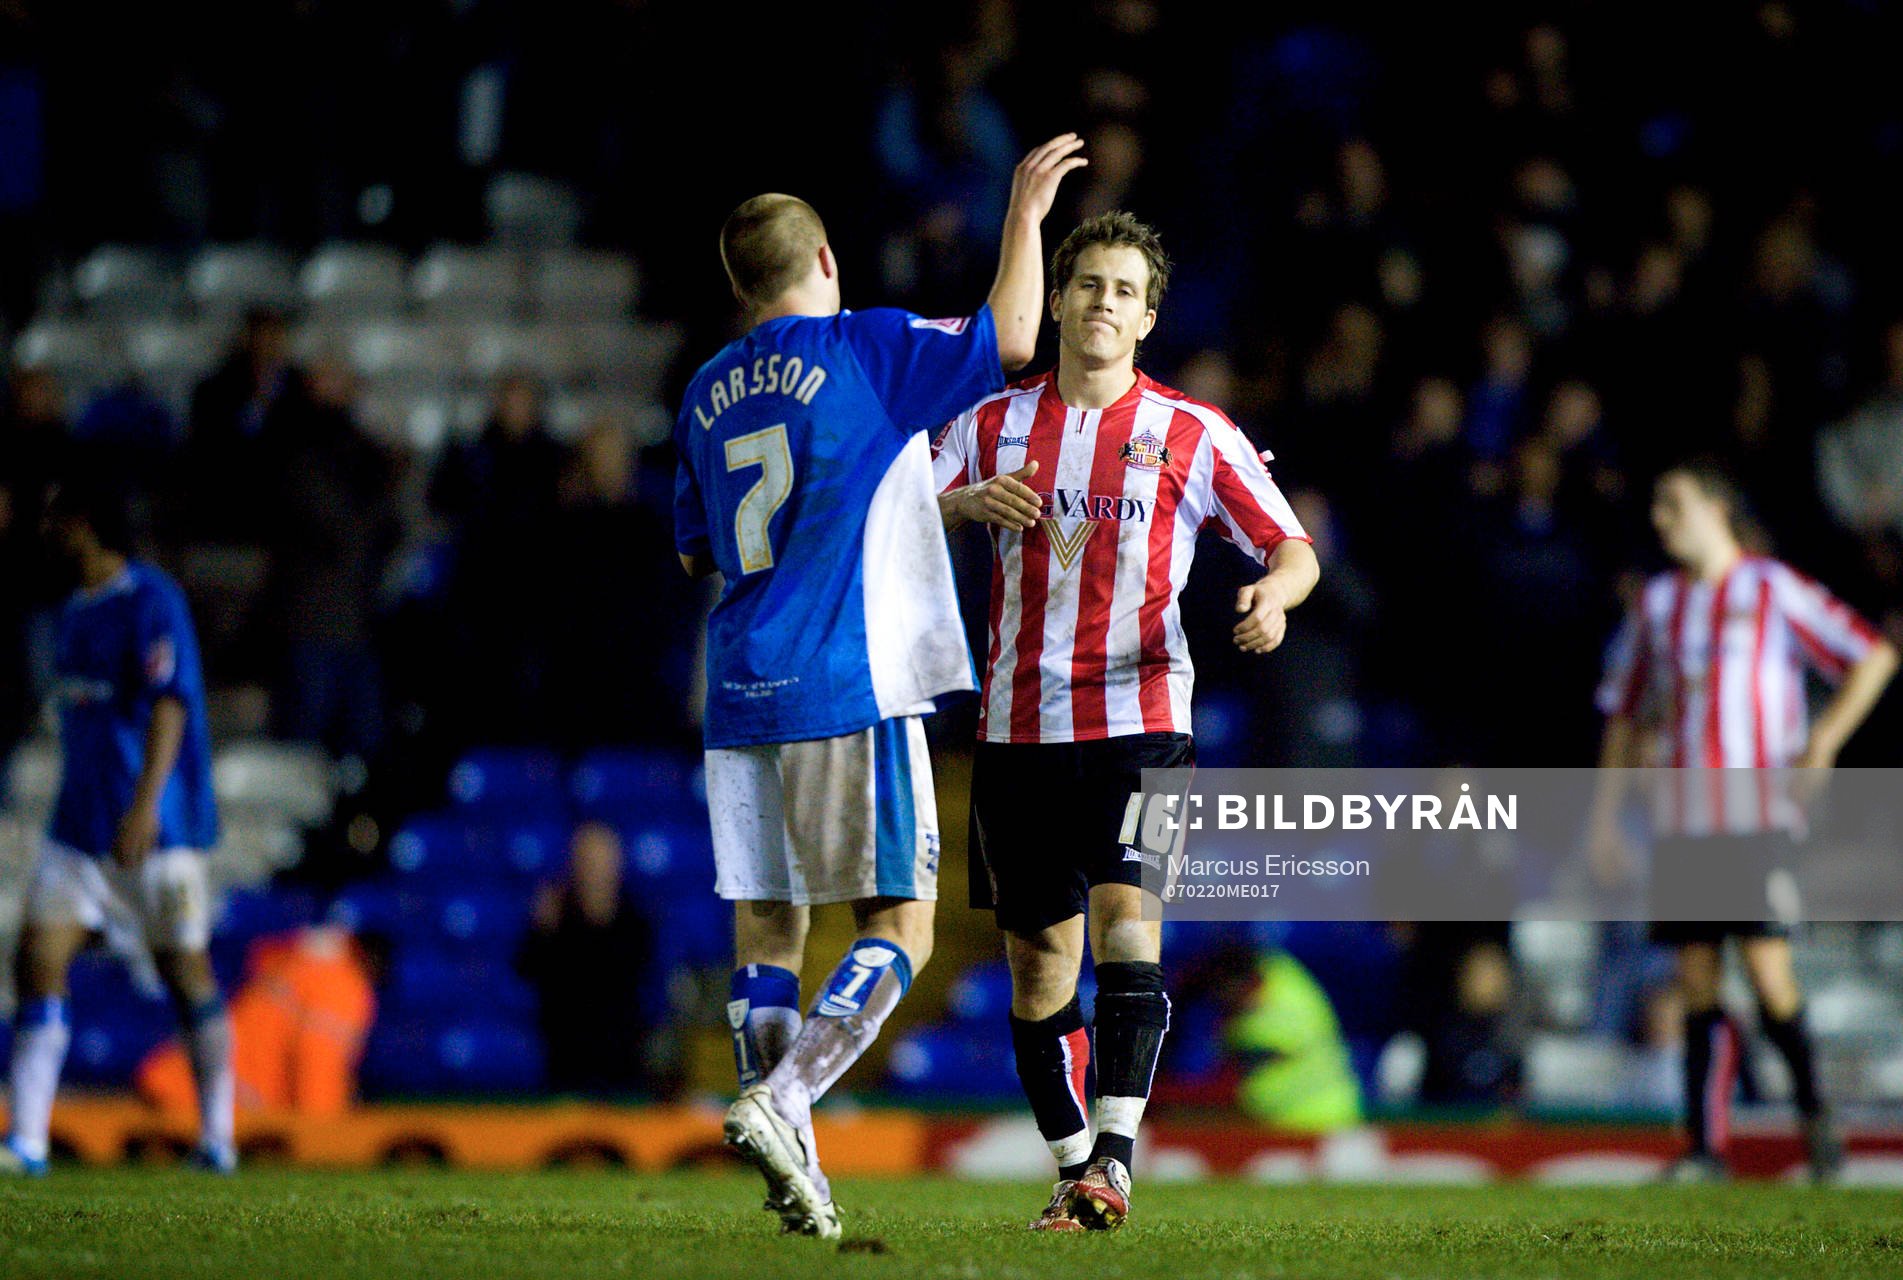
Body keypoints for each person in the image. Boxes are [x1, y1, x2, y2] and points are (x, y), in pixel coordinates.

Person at [673, 135, 1085, 1237]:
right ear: (820, 256)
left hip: (737, 689)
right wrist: (1023, 216)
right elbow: (1006, 337)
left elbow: (697, 548)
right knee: (898, 923)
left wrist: (914, 510)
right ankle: (784, 1095)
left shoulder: (706, 393)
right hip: (844, 679)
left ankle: (795, 1166)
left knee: (769, 933)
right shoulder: (861, 346)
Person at [932, 210, 1319, 1230]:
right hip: (1017, 734)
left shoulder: (1192, 432)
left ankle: (1113, 1156)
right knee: (1037, 965)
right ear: (1056, 300)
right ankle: (1072, 1165)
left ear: (1146, 318)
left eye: (1123, 291)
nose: (1103, 302)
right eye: (1088, 284)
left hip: (1143, 723)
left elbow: (1293, 545)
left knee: (1127, 925)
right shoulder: (987, 427)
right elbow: (898, 518)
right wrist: (963, 508)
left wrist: (1275, 596)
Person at [1588, 460, 1898, 1182]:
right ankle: (1704, 1149)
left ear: (1714, 507)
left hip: (1754, 812)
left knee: (1766, 972)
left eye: (1674, 503)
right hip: (1681, 817)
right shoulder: (1658, 604)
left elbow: (1871, 654)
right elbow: (1626, 713)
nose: (1660, 518)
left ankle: (1816, 1117)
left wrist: (1822, 741)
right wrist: (1602, 817)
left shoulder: (1770, 588)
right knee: (1695, 978)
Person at [1, 481, 234, 1176]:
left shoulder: (152, 601)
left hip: (157, 833)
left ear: (87, 523)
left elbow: (170, 707)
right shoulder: (74, 611)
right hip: (77, 834)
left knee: (184, 970)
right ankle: (28, 1141)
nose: (48, 528)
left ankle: (218, 1136)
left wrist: (144, 807)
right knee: (37, 959)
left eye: (57, 516)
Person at [137, 925, 381, 1119]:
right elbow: (318, 1063)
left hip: (179, 1079)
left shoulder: (300, 962)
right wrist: (323, 1135)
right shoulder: (344, 986)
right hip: (210, 1107)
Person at [517, 823, 657, 1096]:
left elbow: (643, 985)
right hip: (565, 1058)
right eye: (588, 860)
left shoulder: (637, 920)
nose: (595, 869)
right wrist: (542, 931)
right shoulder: (555, 916)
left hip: (622, 1061)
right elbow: (525, 970)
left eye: (602, 859)